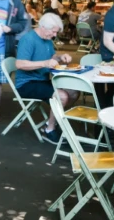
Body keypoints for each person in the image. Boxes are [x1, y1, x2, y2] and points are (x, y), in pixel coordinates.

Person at [15, 13, 76, 143]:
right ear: (43, 27)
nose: (55, 35)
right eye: (53, 32)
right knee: (62, 96)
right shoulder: (28, 39)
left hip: (42, 80)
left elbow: (51, 57)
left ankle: (50, 121)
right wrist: (44, 63)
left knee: (74, 93)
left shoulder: (47, 38)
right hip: (26, 84)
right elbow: (20, 64)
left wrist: (60, 58)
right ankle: (50, 130)